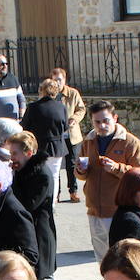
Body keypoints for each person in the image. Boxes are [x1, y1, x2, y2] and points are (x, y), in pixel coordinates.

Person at [76, 100, 140, 258]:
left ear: (115, 118)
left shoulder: (130, 142)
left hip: (118, 210)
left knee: (121, 256)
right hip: (94, 209)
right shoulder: (89, 141)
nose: (101, 126)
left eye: (106, 121)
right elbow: (80, 174)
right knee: (101, 256)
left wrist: (117, 168)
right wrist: (80, 170)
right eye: (97, 122)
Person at [6, 131, 57, 280]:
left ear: (28, 153)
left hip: (41, 235)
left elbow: (26, 205)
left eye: (14, 154)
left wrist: (12, 178)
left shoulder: (41, 174)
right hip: (28, 234)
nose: (11, 158)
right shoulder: (22, 172)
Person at [22, 77, 70, 189]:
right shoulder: (61, 107)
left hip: (38, 147)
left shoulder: (33, 108)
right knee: (54, 176)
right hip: (57, 146)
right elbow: (65, 127)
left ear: (41, 90)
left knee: (37, 177)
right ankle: (52, 202)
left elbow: (24, 126)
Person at [50, 67, 86, 202]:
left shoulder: (73, 93)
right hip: (56, 135)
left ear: (64, 80)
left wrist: (75, 118)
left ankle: (73, 191)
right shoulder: (50, 94)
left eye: (59, 80)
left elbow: (81, 109)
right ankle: (56, 193)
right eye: (54, 80)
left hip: (71, 134)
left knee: (71, 163)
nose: (57, 83)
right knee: (56, 165)